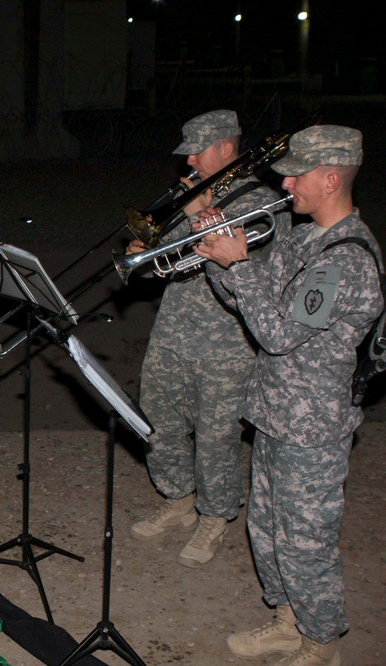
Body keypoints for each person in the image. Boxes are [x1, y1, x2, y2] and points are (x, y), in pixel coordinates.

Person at [195, 125, 379, 666]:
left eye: (298, 175)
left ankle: (321, 644)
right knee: (268, 532)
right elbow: (250, 307)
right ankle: (287, 621)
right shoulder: (303, 239)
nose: (287, 183)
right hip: (277, 414)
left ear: (329, 179)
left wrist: (241, 263)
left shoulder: (344, 260)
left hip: (313, 429)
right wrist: (212, 249)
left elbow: (278, 335)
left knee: (305, 546)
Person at [127, 110, 291, 568]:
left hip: (227, 342)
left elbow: (253, 271)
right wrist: (144, 250)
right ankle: (178, 498)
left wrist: (205, 215)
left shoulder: (265, 203)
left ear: (226, 147)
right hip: (174, 327)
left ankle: (215, 517)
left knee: (217, 436)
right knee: (158, 419)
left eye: (198, 151)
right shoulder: (192, 194)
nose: (190, 162)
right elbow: (172, 250)